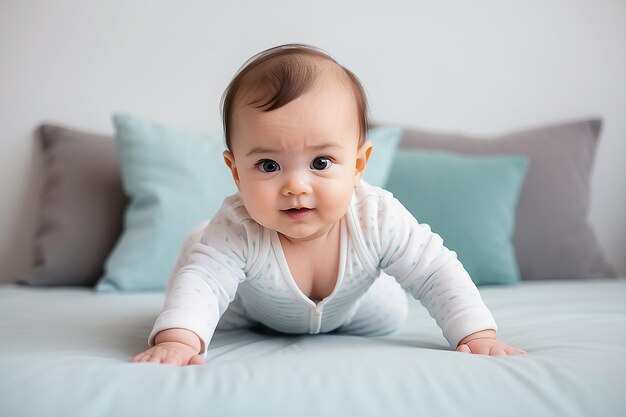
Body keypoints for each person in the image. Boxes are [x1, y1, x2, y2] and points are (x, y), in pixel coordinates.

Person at [132, 44, 527, 366]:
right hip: (250, 308)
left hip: (359, 309)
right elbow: (204, 284)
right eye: (268, 165)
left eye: (321, 163)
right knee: (200, 270)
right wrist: (179, 341)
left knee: (394, 310)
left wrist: (476, 334)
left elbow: (434, 270)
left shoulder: (375, 216)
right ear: (236, 172)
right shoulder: (239, 225)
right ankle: (198, 250)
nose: (296, 186)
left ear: (357, 166)